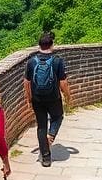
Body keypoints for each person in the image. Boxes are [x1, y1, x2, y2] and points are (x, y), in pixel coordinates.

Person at [24, 30, 71, 168]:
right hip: (53, 98)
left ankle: (45, 158)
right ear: (52, 45)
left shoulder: (31, 62)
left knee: (41, 126)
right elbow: (63, 82)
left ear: (39, 45)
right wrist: (67, 96)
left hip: (37, 99)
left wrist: (28, 98)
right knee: (58, 117)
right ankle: (51, 136)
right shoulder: (57, 61)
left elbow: (26, 82)